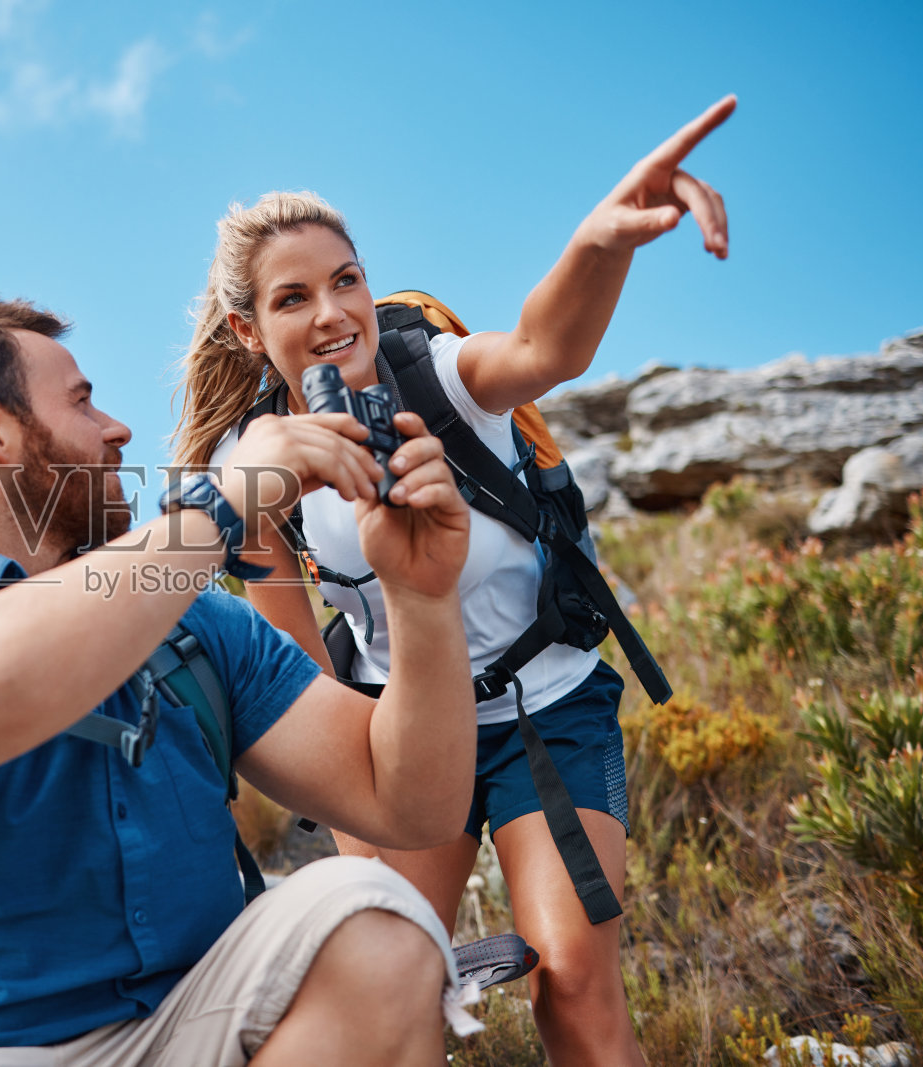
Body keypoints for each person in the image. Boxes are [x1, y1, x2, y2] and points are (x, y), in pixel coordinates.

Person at [0, 293, 484, 1066]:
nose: (118, 428)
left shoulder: (196, 629)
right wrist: (216, 512)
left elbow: (413, 800)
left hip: (183, 1033)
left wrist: (420, 596)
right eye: (83, 401)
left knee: (378, 916)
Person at [168, 96, 736, 1066]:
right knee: (392, 989)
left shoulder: (429, 372)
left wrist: (602, 238)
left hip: (545, 710)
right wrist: (362, 843)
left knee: (572, 982)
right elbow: (304, 679)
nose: (332, 310)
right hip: (402, 729)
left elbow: (540, 347)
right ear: (247, 328)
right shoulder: (258, 477)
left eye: (345, 280)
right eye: (292, 296)